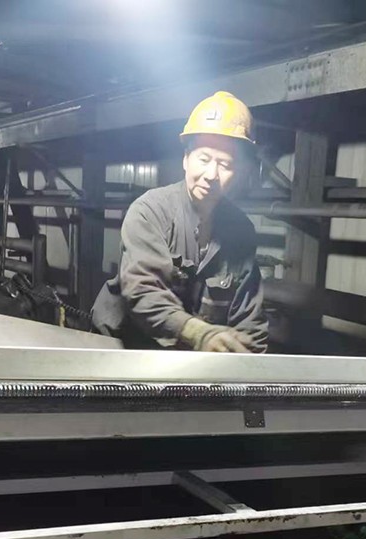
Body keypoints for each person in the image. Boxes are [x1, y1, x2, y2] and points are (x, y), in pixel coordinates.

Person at [92, 91, 268, 353]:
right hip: (123, 346)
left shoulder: (241, 231)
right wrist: (200, 334)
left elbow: (249, 318)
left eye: (225, 164)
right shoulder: (150, 211)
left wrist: (255, 364)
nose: (211, 174)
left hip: (183, 355)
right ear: (186, 159)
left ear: (240, 171)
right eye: (204, 159)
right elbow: (143, 291)